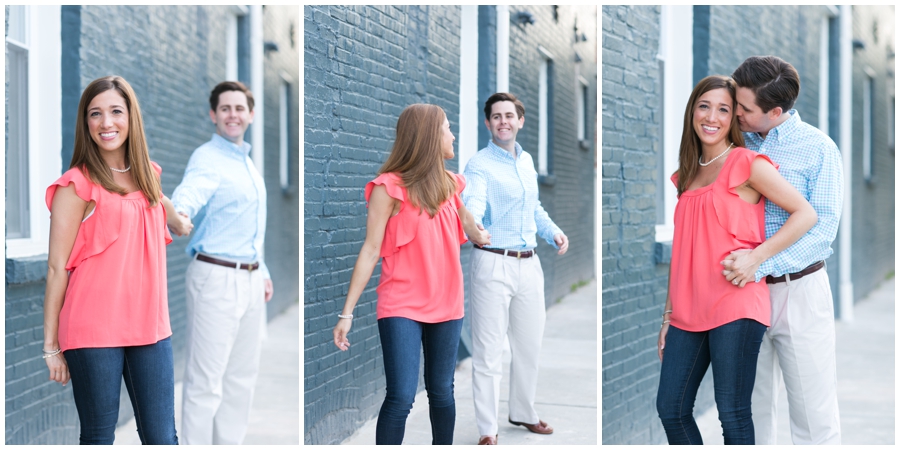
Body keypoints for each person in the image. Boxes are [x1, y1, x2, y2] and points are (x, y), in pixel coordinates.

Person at [655, 75, 818, 444]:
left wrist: (757, 257)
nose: (712, 116)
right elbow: (683, 251)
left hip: (736, 304)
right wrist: (668, 315)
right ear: (692, 111)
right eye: (704, 106)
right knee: (671, 408)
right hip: (686, 312)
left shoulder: (746, 162)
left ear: (733, 119)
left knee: (732, 412)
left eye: (724, 109)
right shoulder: (687, 174)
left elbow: (805, 213)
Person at [43, 75, 191, 444]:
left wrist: (179, 221)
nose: (106, 123)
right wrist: (51, 347)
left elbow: (158, 200)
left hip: (151, 327)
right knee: (99, 436)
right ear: (86, 123)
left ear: (131, 117)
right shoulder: (76, 185)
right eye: (95, 114)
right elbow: (56, 268)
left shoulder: (147, 175)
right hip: (92, 329)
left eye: (115, 112)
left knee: (162, 436)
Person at [332, 104, 491, 445]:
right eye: (447, 128)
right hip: (401, 303)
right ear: (428, 136)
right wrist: (347, 313)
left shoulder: (450, 184)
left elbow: (465, 220)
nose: (452, 135)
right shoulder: (387, 188)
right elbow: (371, 250)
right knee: (402, 396)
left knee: (442, 393)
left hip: (447, 304)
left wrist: (476, 231)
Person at [722, 55, 844, 445]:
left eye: (745, 108)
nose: (735, 113)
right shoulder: (734, 141)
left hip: (799, 291)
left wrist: (759, 263)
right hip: (743, 294)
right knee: (751, 411)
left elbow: (822, 230)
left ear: (775, 111)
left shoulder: (818, 149)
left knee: (813, 413)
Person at [461, 92, 568, 446]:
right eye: (496, 116)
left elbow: (534, 207)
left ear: (520, 121)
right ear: (488, 123)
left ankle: (523, 411)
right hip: (492, 262)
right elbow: (472, 202)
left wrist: (552, 231)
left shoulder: (526, 161)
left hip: (529, 264)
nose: (503, 121)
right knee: (489, 351)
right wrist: (474, 224)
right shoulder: (479, 165)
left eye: (509, 115)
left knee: (528, 346)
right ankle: (487, 429)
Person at [171, 81, 271, 445]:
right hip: (215, 278)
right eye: (225, 108)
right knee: (204, 384)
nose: (233, 115)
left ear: (251, 114)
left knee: (240, 380)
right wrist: (179, 211)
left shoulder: (246, 161)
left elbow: (246, 223)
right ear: (213, 115)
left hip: (249, 279)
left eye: (240, 108)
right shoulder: (208, 158)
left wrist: (263, 269)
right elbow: (191, 191)